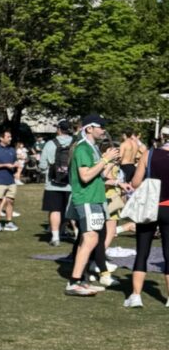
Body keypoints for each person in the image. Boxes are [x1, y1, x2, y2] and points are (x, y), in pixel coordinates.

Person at [65, 115, 119, 297]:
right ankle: (74, 281)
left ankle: (80, 279)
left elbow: (99, 176)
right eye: (100, 126)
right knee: (90, 239)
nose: (103, 130)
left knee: (88, 239)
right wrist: (105, 160)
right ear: (89, 129)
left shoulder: (92, 148)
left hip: (95, 198)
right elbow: (85, 176)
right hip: (86, 199)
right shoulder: (82, 148)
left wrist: (110, 164)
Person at [123, 147, 169, 308]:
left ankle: (136, 295)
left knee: (142, 250)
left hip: (150, 205)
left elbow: (136, 182)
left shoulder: (149, 154)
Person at [39, 120, 74, 246]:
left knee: (55, 210)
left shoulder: (50, 144)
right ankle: (77, 234)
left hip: (53, 183)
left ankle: (55, 237)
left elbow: (42, 165)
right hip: (71, 183)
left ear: (58, 129)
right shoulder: (75, 143)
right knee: (71, 210)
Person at [0, 129, 18, 231]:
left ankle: (9, 222)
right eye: (8, 137)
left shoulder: (12, 149)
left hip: (11, 180)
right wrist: (5, 165)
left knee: (10, 201)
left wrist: (16, 165)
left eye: (10, 137)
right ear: (1, 138)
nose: (10, 138)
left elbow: (15, 161)